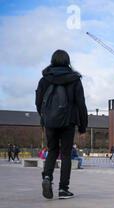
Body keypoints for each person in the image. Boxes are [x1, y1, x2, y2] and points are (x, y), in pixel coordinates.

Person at [35, 49, 88, 199]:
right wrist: (82, 126)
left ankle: (47, 178)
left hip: (50, 122)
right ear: (67, 61)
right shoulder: (74, 79)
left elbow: (38, 102)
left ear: (52, 61)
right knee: (65, 154)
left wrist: (45, 118)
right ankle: (63, 189)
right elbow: (81, 104)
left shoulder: (44, 79)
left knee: (52, 151)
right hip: (68, 122)